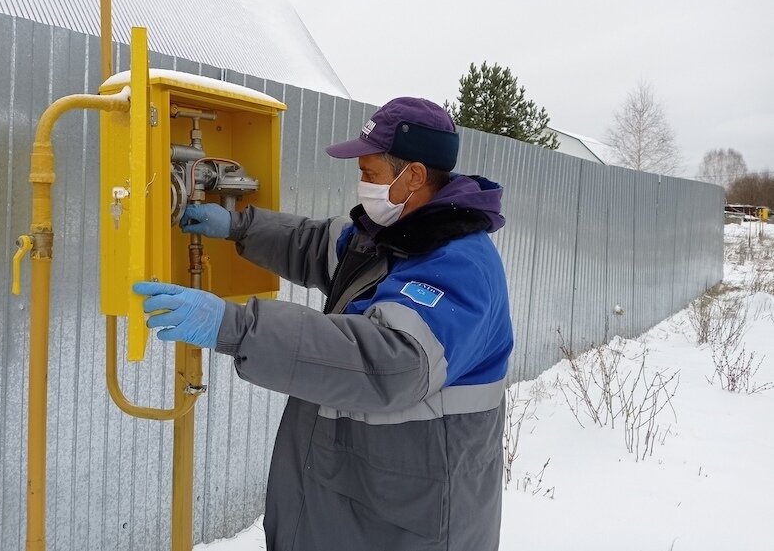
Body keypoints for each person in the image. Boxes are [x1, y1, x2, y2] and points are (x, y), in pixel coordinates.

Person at [134, 97, 514, 551]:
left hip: (413, 518)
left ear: (412, 176)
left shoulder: (461, 263)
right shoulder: (393, 233)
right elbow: (318, 243)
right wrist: (239, 227)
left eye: (369, 173)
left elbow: (389, 361)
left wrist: (234, 327)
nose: (362, 185)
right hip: (356, 496)